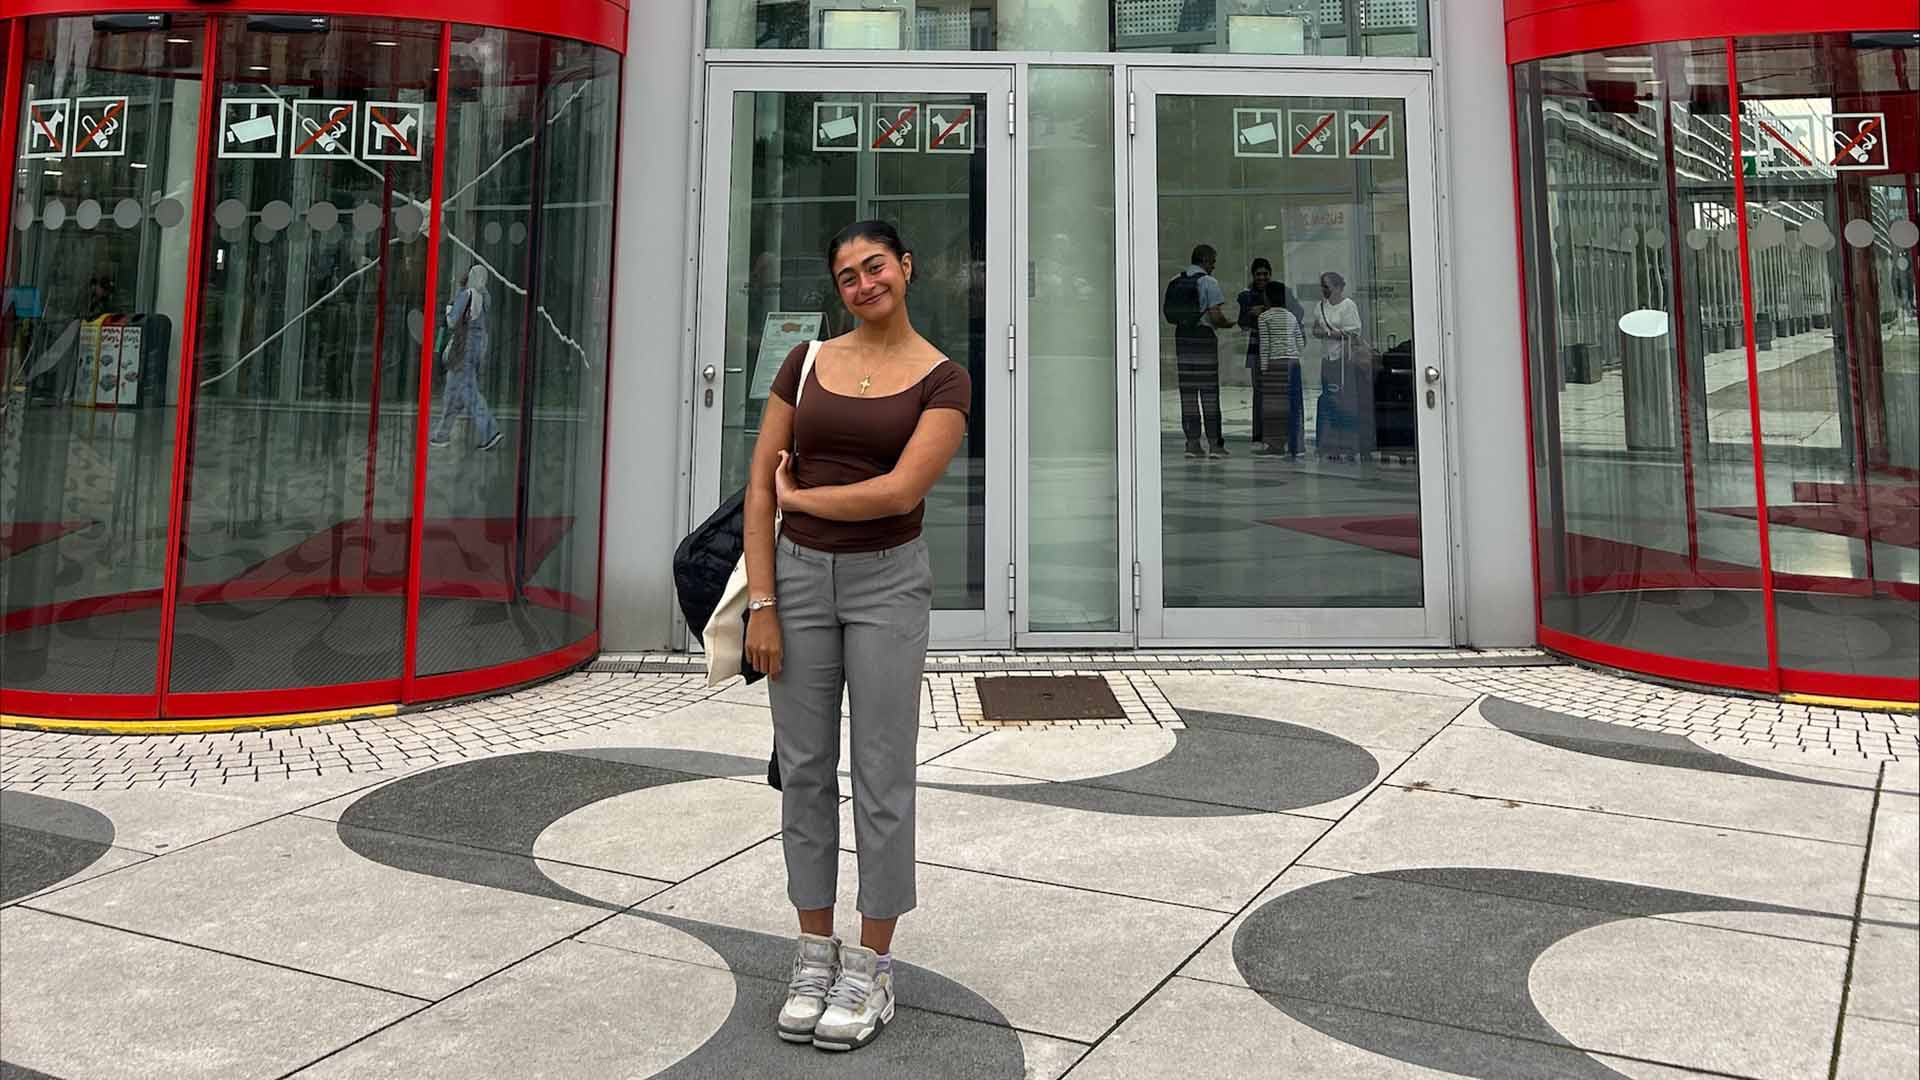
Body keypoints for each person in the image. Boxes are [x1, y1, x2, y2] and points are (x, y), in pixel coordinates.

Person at [742, 220, 970, 1054]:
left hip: (888, 584)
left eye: (875, 266)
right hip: (795, 585)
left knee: (881, 774)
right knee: (802, 770)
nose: (863, 283)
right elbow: (758, 481)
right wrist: (761, 601)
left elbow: (898, 492)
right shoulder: (806, 363)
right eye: (846, 275)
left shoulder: (944, 379)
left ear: (907, 268)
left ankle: (871, 966)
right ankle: (813, 952)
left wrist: (801, 502)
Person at [1164, 244, 1234, 459]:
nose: (1214, 265)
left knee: (1188, 392)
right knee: (1209, 392)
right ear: (1204, 260)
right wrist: (1228, 323)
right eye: (1212, 261)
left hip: (1183, 338)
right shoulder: (1208, 282)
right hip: (1203, 339)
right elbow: (1215, 315)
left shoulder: (1175, 280)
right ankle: (1215, 444)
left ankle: (1192, 443)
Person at [429, 265, 503, 451]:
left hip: (463, 350)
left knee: (469, 393)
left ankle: (490, 431)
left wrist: (448, 309)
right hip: (474, 349)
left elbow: (452, 321)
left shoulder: (467, 295)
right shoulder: (484, 297)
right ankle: (442, 435)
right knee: (452, 394)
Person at [1308, 270, 1365, 460]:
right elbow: (1316, 329)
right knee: (1330, 398)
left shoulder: (1348, 305)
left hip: (1344, 359)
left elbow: (1354, 331)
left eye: (1327, 286)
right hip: (1328, 358)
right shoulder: (1320, 306)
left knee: (1345, 400)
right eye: (1322, 286)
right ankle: (1330, 443)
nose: (1324, 290)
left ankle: (1348, 444)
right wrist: (1323, 334)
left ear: (1339, 287)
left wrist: (1330, 334)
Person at [1256, 281, 1306, 459]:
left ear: (1267, 297)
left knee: (1274, 406)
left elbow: (1265, 346)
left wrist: (1263, 369)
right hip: (1294, 363)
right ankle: (1296, 445)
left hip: (1275, 364)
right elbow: (1300, 343)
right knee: (1294, 405)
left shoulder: (1264, 317)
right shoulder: (1291, 316)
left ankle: (1275, 445)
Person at [1236, 259, 1272, 450]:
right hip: (1257, 347)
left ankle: (1273, 433)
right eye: (1258, 274)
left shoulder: (1276, 293)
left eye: (1265, 273)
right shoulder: (1247, 296)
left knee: (1274, 391)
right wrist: (1251, 313)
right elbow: (1242, 323)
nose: (1262, 277)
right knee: (1259, 392)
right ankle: (1258, 435)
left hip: (1275, 347)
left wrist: (1265, 310)